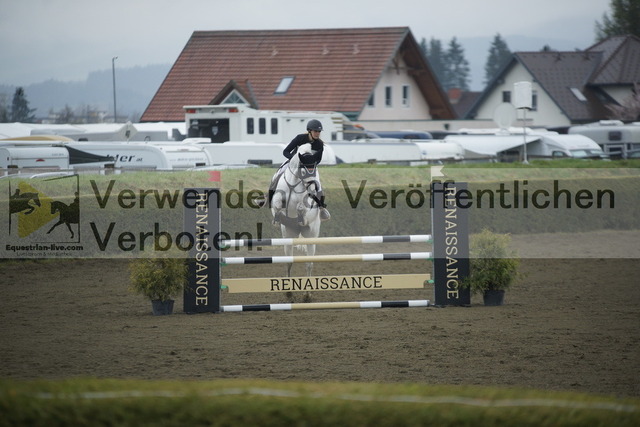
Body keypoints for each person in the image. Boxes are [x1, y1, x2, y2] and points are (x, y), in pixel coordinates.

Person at [262, 119, 330, 221]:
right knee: (278, 174)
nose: (317, 133)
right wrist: (294, 160)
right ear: (309, 131)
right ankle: (267, 198)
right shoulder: (300, 138)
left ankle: (321, 208)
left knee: (317, 184)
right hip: (293, 164)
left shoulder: (319, 144)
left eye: (319, 131)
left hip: (310, 166)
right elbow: (286, 152)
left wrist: (310, 165)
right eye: (315, 131)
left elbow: (318, 159)